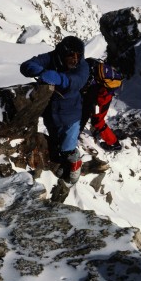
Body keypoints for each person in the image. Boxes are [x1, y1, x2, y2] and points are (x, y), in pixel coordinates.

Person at [20, 36, 90, 185]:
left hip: (71, 117)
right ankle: (61, 166)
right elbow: (27, 65)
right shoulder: (52, 57)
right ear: (62, 53)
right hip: (51, 114)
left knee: (68, 149)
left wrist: (59, 78)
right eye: (72, 55)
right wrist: (38, 70)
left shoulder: (82, 66)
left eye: (78, 55)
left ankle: (74, 167)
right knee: (56, 145)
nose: (75, 59)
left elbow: (77, 80)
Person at [80, 58, 123, 151]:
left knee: (98, 122)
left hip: (102, 99)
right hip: (104, 96)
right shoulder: (93, 71)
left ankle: (115, 144)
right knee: (96, 119)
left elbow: (89, 106)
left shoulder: (89, 76)